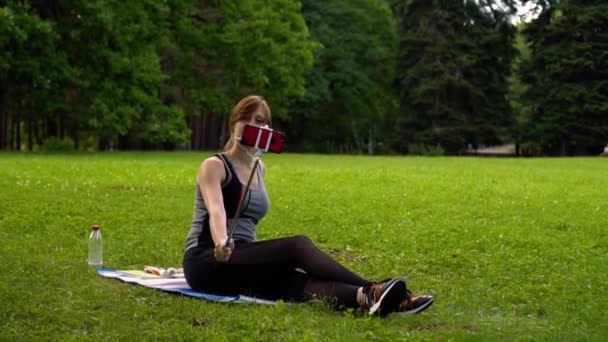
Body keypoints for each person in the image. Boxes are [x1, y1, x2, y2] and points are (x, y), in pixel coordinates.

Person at [183, 95, 434, 316]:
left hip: (242, 260)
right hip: (209, 260)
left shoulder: (259, 168)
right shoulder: (214, 166)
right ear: (235, 123)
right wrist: (220, 244)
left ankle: (371, 298)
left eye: (263, 121)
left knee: (295, 282)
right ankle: (376, 289)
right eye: (250, 119)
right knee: (297, 246)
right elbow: (216, 211)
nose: (258, 126)